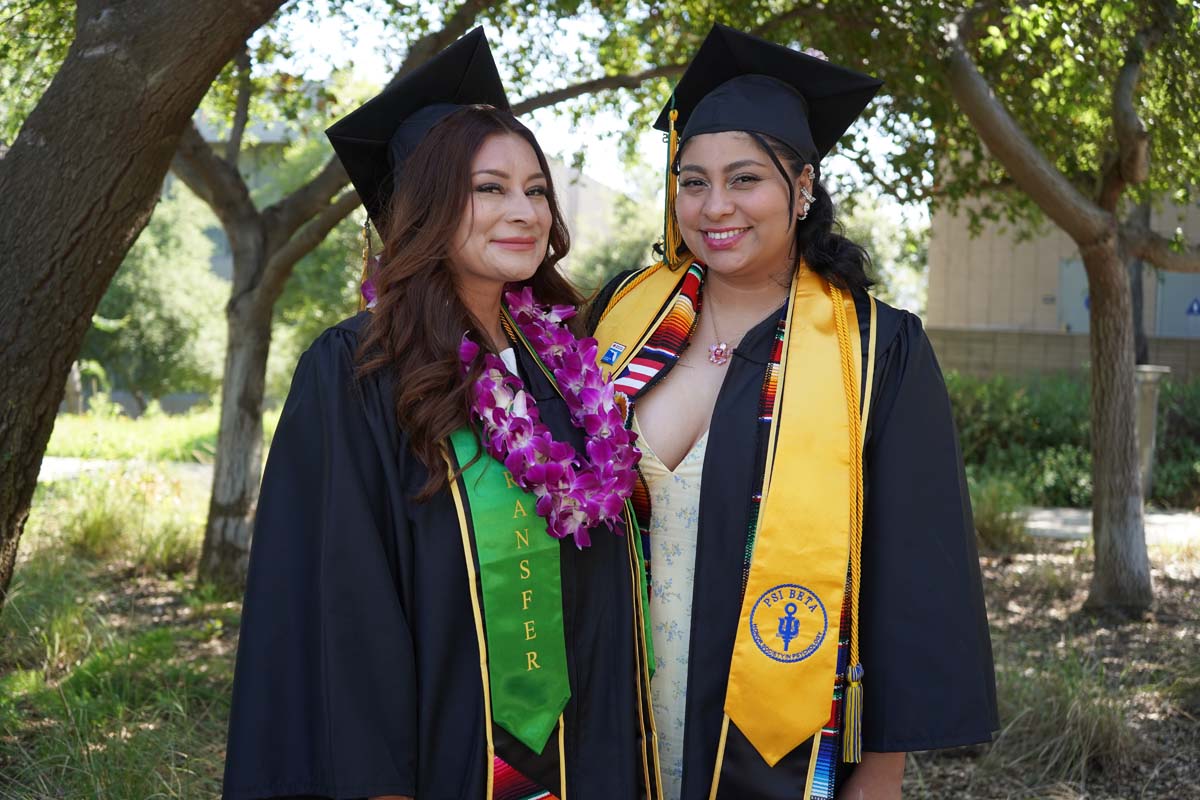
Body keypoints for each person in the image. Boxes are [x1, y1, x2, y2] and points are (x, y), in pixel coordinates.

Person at [223, 29, 661, 800]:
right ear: (423, 206)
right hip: (444, 757)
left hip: (586, 751)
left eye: (535, 188)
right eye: (488, 188)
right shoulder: (359, 371)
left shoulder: (563, 365)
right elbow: (344, 609)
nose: (523, 211)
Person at [588, 24, 998, 800]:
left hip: (778, 739)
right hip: (615, 720)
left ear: (802, 188)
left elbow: (911, 570)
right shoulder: (623, 316)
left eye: (745, 179)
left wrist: (880, 774)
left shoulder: (876, 348)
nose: (714, 207)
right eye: (693, 181)